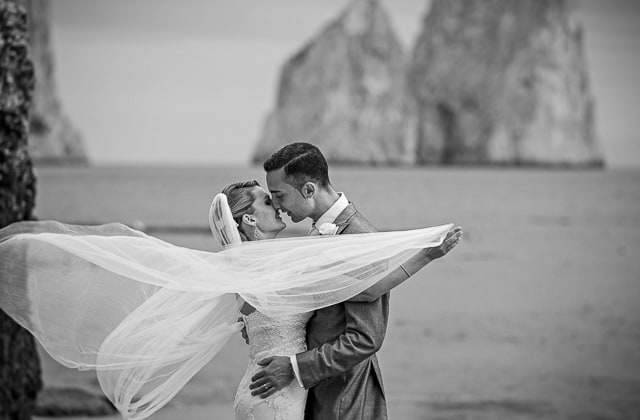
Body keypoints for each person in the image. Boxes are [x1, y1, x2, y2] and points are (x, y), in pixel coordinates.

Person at [0, 171, 459, 420]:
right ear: (250, 223)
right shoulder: (268, 270)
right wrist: (425, 255)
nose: (277, 205)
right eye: (267, 201)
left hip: (263, 391)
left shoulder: (249, 267)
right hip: (275, 396)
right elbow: (366, 286)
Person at [245, 142, 462, 419]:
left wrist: (295, 367)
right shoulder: (318, 233)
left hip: (345, 400)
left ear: (309, 190)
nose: (275, 204)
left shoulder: (360, 238)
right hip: (314, 396)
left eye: (278, 195)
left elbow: (364, 339)